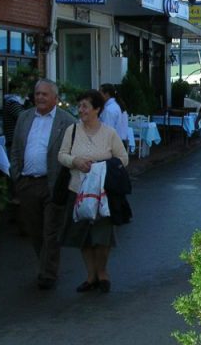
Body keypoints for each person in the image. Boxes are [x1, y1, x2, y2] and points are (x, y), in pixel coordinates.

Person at [57, 89, 128, 293]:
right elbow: (61, 155)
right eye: (79, 106)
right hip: (77, 191)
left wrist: (101, 166)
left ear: (97, 109)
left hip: (101, 194)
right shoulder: (72, 131)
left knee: (102, 235)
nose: (81, 110)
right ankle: (90, 275)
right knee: (83, 236)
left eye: (85, 106)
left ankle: (103, 272)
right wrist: (75, 161)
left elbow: (123, 159)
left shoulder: (109, 133)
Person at [8, 79, 75, 290]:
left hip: (52, 183)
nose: (40, 98)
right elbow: (16, 149)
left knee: (51, 232)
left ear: (55, 98)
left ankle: (48, 273)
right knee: (34, 230)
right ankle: (45, 262)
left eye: (45, 94)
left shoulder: (67, 121)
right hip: (27, 182)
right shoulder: (24, 117)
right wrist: (16, 175)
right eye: (37, 94)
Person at [99, 83, 130, 153]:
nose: (98, 95)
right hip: (119, 143)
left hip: (112, 146)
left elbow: (107, 131)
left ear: (106, 94)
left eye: (100, 93)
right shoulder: (117, 106)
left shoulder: (110, 109)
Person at [0, 82, 25, 148]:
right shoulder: (12, 102)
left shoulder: (11, 101)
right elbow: (23, 117)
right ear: (16, 89)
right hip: (14, 139)